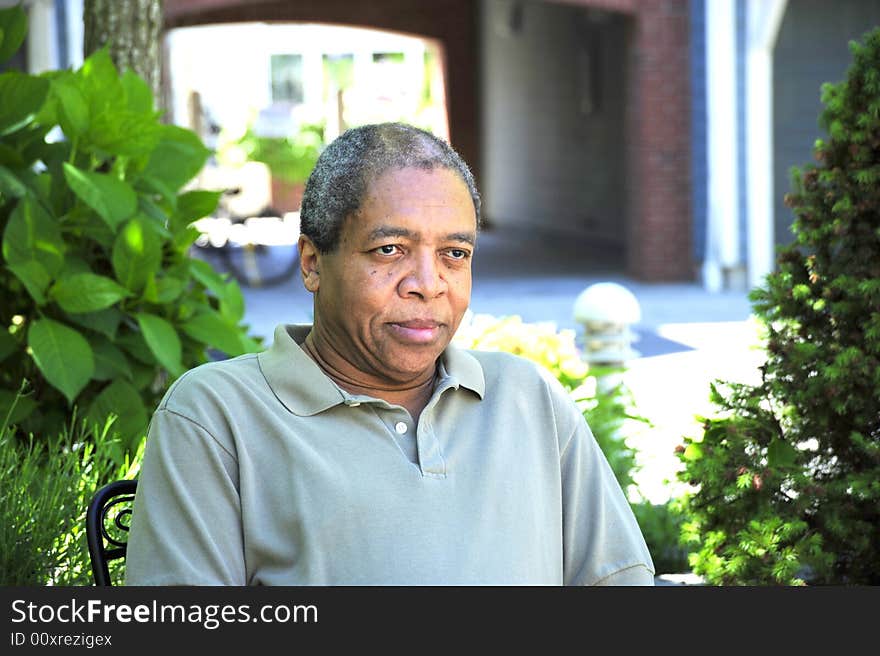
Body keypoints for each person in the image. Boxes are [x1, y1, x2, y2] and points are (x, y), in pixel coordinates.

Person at [125, 122, 655, 586]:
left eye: (455, 254)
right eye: (390, 250)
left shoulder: (527, 398)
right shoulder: (217, 417)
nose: (429, 285)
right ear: (312, 262)